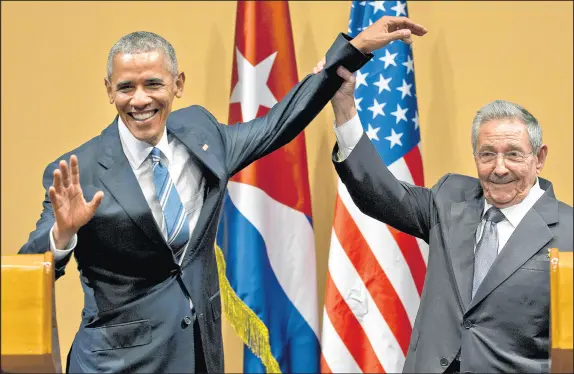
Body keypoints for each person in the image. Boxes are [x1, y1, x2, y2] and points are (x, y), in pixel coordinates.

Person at [18, 16, 427, 373]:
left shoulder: (202, 134)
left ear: (177, 85)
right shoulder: (77, 171)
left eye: (153, 84)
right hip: (114, 364)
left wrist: (353, 50)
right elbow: (28, 271)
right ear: (109, 90)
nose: (139, 99)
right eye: (126, 87)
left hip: (198, 355)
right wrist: (62, 237)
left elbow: (278, 123)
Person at [313, 61, 573, 372]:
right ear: (475, 156)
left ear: (539, 158)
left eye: (514, 154)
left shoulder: (568, 234)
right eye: (488, 153)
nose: (499, 168)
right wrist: (344, 106)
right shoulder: (450, 200)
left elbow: (567, 353)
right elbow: (380, 194)